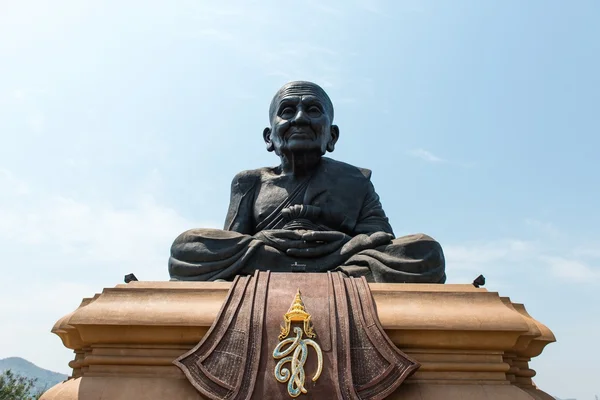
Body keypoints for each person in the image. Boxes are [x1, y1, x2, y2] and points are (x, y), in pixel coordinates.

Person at [168, 81, 445, 283]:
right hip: (270, 259)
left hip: (338, 261)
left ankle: (303, 271)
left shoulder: (355, 180)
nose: (300, 118)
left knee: (424, 251)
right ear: (269, 137)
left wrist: (342, 245)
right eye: (287, 111)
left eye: (313, 110)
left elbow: (380, 240)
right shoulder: (249, 181)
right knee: (187, 246)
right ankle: (304, 271)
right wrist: (265, 241)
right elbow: (234, 243)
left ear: (332, 136)